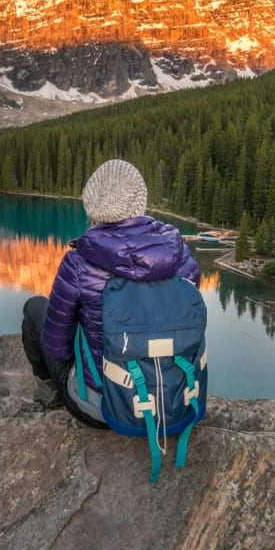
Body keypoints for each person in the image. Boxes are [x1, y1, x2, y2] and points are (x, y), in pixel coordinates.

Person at [21, 159, 202, 426]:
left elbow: (56, 347)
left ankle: (48, 394)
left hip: (101, 407)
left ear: (93, 205)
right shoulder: (180, 254)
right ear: (140, 200)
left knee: (34, 308)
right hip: (175, 400)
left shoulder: (78, 263)